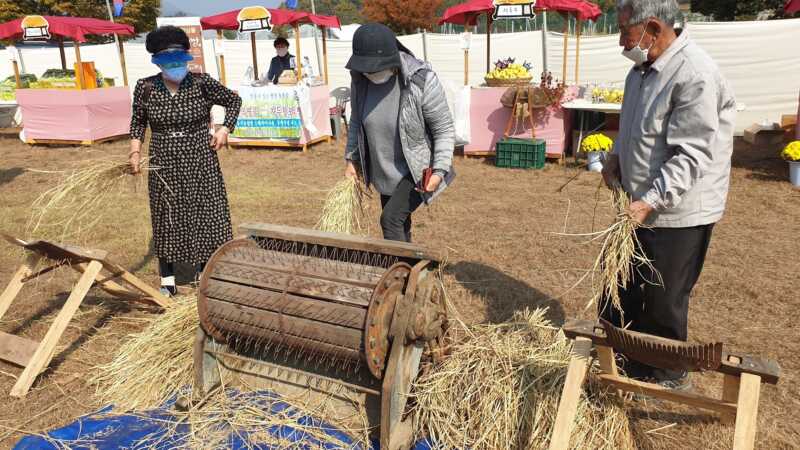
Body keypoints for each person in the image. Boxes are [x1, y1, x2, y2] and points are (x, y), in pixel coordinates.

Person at [601, 0, 736, 389]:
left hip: (678, 209)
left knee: (663, 297)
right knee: (620, 285)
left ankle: (665, 377)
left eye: (626, 33)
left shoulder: (694, 74)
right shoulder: (640, 72)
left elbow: (692, 152)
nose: (620, 43)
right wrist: (616, 158)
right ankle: (621, 360)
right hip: (640, 203)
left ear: (654, 28)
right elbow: (634, 128)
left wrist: (651, 200)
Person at [128, 26, 242, 297]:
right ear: (157, 62)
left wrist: (225, 129)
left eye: (180, 60)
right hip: (163, 159)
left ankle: (205, 270)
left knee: (205, 212)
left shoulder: (202, 83)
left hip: (200, 157)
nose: (176, 66)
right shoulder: (146, 87)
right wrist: (134, 152)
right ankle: (168, 279)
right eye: (169, 62)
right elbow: (137, 123)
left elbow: (234, 101)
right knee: (167, 215)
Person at [344, 23, 455, 242]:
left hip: (417, 169)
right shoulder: (361, 81)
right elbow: (356, 121)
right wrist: (351, 160)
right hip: (383, 169)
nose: (371, 74)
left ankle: (399, 274)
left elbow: (444, 129)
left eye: (375, 69)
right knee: (400, 223)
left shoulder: (420, 80)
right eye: (367, 69)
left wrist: (439, 170)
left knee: (390, 219)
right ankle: (410, 267)